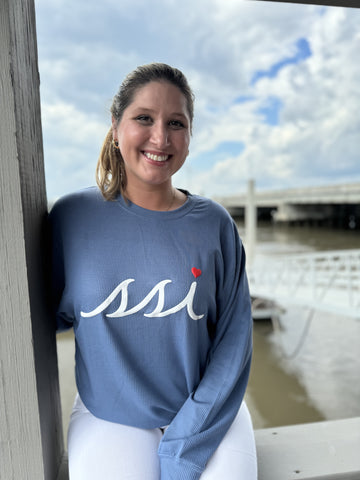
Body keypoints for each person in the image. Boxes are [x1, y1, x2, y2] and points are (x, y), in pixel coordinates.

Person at [49, 62, 257, 480]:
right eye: (144, 118)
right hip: (109, 413)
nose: (160, 137)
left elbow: (235, 342)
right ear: (115, 125)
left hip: (208, 409)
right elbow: (38, 316)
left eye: (176, 123)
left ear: (190, 136)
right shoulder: (71, 219)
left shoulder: (214, 224)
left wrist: (184, 449)